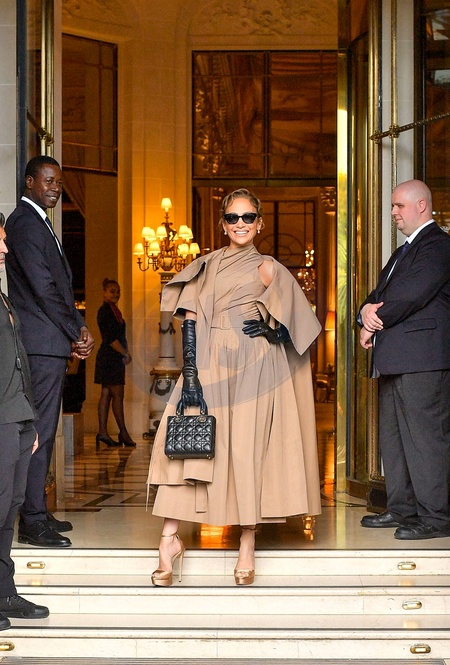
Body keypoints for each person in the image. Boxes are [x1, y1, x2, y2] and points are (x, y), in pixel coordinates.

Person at [147, 188, 322, 586]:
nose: (240, 224)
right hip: (207, 365)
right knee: (186, 452)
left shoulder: (269, 268)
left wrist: (275, 333)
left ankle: (247, 542)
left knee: (246, 452)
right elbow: (189, 322)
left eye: (248, 218)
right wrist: (190, 374)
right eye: (232, 217)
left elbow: (303, 325)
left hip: (256, 369)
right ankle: (169, 539)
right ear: (222, 223)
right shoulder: (204, 266)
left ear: (260, 224)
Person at [5, 155, 95, 548]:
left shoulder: (39, 221)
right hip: (40, 345)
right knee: (38, 432)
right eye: (48, 181)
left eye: (59, 182)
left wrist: (75, 330)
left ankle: (38, 510)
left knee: (44, 430)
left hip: (48, 343)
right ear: (29, 182)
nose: (55, 188)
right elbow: (44, 288)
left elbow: (54, 286)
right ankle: (32, 520)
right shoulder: (25, 223)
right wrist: (77, 330)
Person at [358, 179, 450, 540]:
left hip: (424, 361)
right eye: (393, 206)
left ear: (421, 205)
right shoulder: (402, 252)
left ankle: (436, 517)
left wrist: (373, 319)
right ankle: (402, 509)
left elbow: (411, 295)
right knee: (394, 440)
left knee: (426, 441)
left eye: (399, 206)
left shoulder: (438, 246)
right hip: (395, 358)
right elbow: (377, 294)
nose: (393, 213)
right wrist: (364, 312)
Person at [0, 216, 49, 625]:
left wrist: (30, 422)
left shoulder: (3, 298)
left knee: (9, 509)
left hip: (18, 418)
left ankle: (4, 593)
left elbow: (20, 363)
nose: (4, 249)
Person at [94, 278, 136, 448]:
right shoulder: (105, 311)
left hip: (110, 357)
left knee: (106, 394)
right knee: (118, 396)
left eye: (118, 291)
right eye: (112, 291)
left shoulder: (113, 311)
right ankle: (123, 432)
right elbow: (111, 338)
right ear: (104, 292)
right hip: (110, 358)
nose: (116, 294)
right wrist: (125, 353)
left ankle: (103, 432)